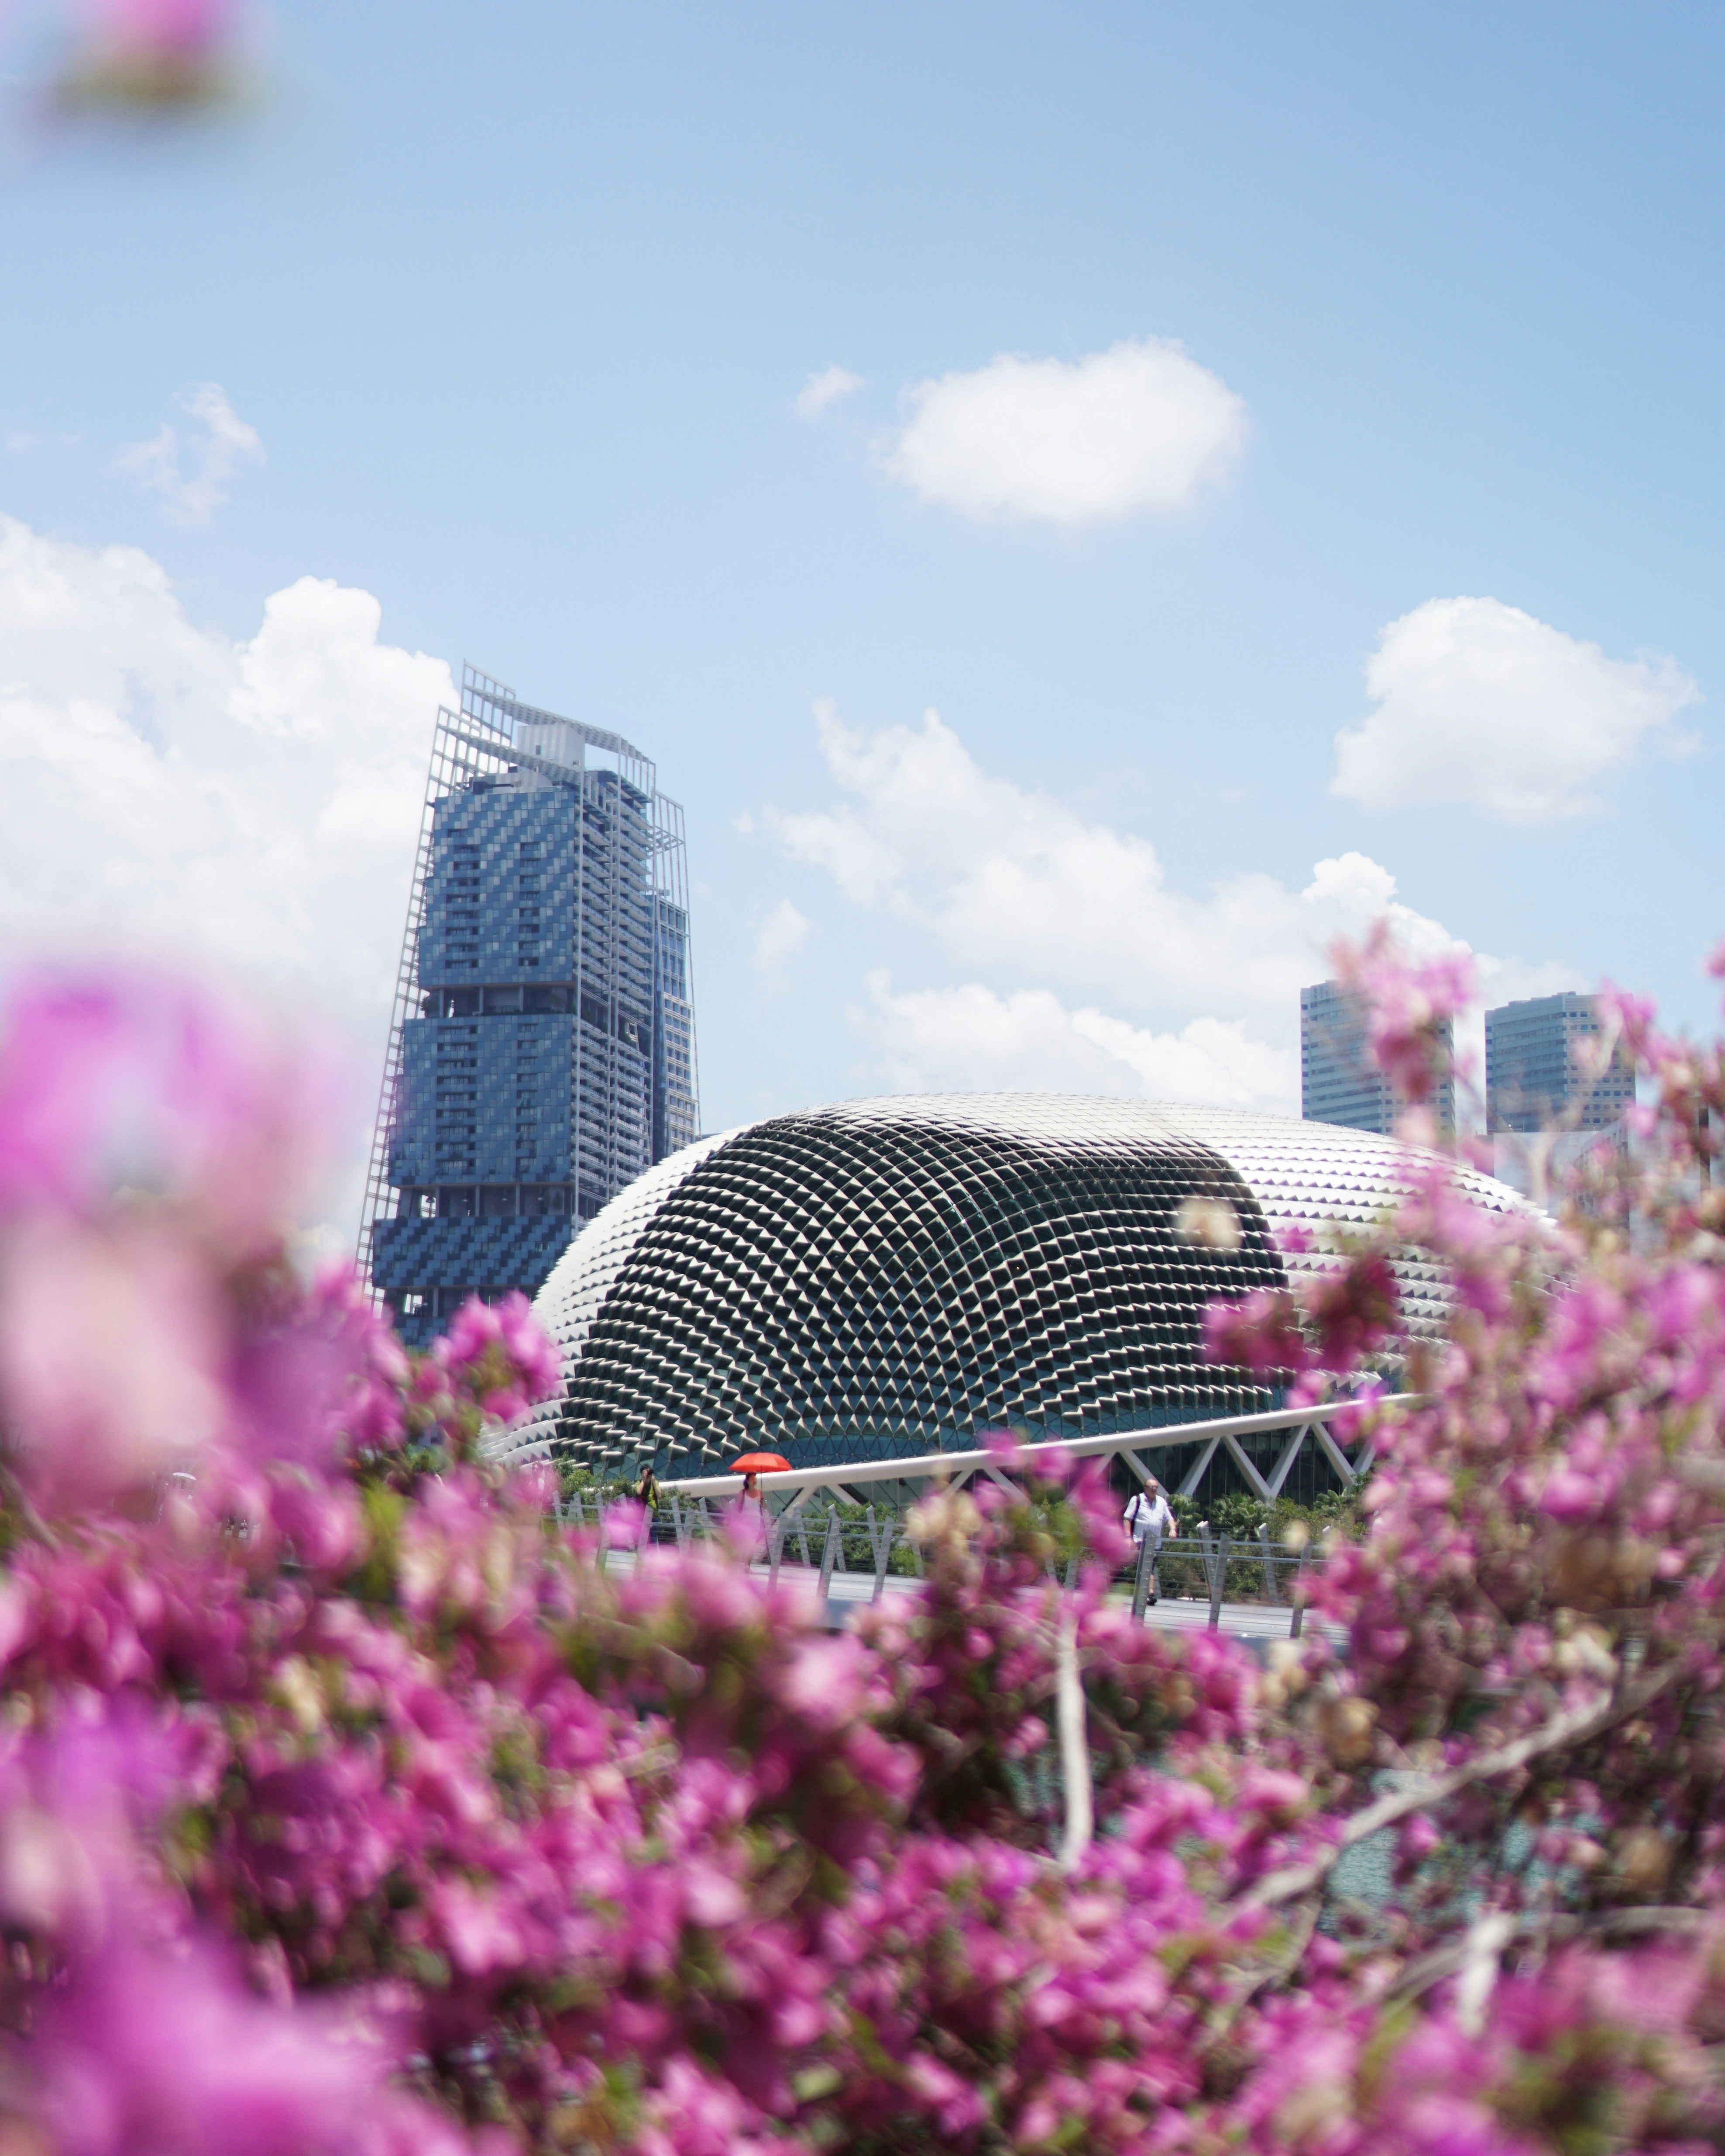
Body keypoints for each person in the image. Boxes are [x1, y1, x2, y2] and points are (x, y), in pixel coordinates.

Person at [1124, 1477, 1177, 1604]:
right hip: (1140, 1540)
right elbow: (1127, 1518)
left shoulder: (1162, 1502)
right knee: (1146, 1567)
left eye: (1156, 1487)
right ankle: (1149, 1594)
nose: (1154, 1490)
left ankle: (1148, 1595)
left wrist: (1173, 1529)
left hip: (1156, 1542)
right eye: (1151, 1487)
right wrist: (1128, 1538)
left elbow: (1169, 1518)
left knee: (1149, 1568)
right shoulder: (1137, 1500)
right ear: (1145, 1488)